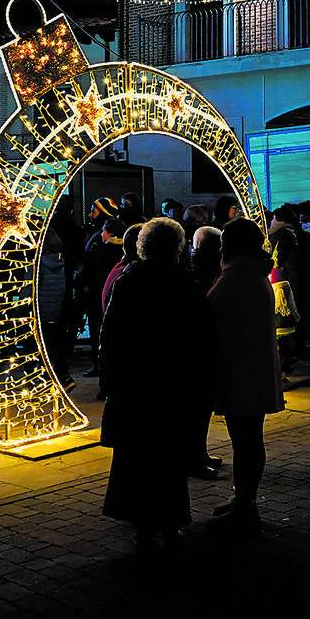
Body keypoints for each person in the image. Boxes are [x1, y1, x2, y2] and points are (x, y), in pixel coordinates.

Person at [99, 217, 211, 550]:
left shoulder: (129, 281)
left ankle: (142, 525)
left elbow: (112, 333)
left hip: (135, 383)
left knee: (136, 457)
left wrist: (110, 377)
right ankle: (170, 523)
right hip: (173, 384)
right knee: (169, 459)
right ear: (176, 248)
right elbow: (201, 338)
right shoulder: (186, 284)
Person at [205, 218, 284, 535]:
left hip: (242, 369)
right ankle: (244, 502)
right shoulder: (256, 270)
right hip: (255, 366)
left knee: (246, 442)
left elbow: (207, 312)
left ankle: (244, 508)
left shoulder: (236, 274)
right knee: (250, 440)